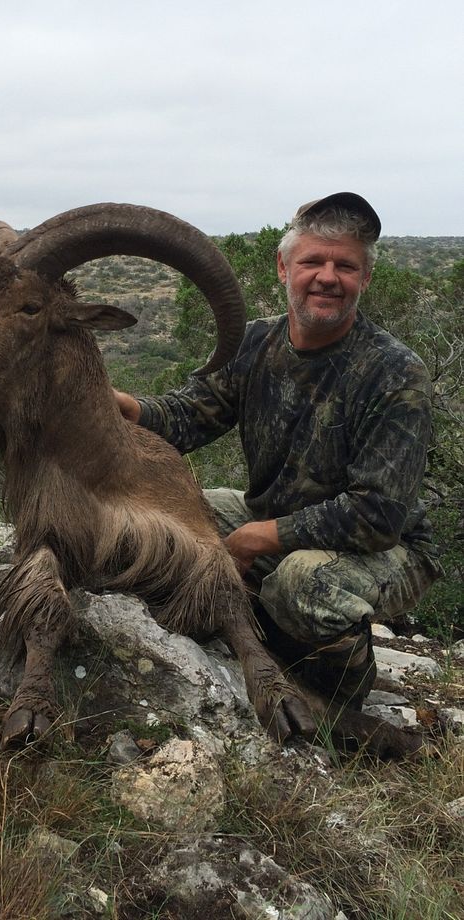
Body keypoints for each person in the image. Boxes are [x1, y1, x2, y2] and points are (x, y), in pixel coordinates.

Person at [116, 192, 441, 711]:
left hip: (390, 549)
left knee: (301, 583)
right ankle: (261, 633)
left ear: (366, 279)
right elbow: (189, 416)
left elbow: (377, 515)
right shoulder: (253, 342)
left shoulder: (395, 372)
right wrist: (123, 407)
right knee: (164, 514)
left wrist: (256, 538)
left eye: (346, 266)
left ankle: (339, 693)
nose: (328, 277)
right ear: (283, 267)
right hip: (277, 515)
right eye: (312, 261)